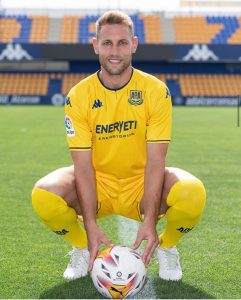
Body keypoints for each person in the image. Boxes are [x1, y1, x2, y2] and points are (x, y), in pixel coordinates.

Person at [32, 10, 206, 282]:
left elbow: (156, 160)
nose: (115, 51)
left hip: (140, 186)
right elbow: (83, 166)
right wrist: (90, 226)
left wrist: (149, 221)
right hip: (99, 184)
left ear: (134, 44)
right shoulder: (78, 96)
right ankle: (81, 247)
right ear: (95, 45)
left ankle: (168, 246)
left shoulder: (155, 90)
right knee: (43, 194)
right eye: (107, 43)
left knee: (193, 193)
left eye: (123, 43)